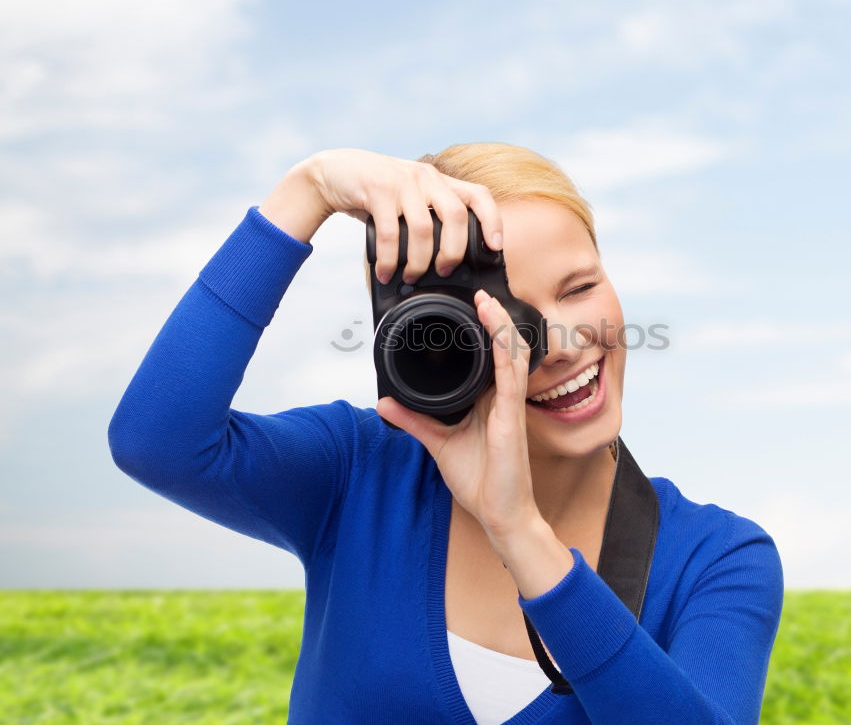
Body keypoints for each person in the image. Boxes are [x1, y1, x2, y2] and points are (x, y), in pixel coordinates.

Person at [107, 144, 784, 724]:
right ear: (440, 340)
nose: (561, 343)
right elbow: (155, 439)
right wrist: (307, 190)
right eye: (508, 316)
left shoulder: (717, 560)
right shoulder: (361, 471)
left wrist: (519, 532)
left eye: (579, 288)